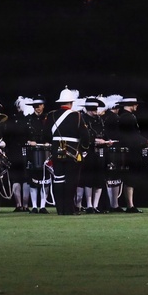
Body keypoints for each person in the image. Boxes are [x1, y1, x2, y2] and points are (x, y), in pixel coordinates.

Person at [44, 87, 91, 215]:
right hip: (72, 152)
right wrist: (84, 150)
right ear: (71, 102)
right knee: (71, 180)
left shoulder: (51, 115)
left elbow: (46, 135)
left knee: (58, 179)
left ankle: (60, 209)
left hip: (56, 151)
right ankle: (69, 209)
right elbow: (85, 136)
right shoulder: (77, 115)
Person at [10, 95, 51, 214]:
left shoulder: (48, 119)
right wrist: (28, 141)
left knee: (45, 179)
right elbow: (22, 136)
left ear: (43, 106)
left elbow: (51, 134)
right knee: (32, 179)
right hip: (32, 153)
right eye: (35, 106)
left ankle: (42, 205)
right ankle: (33, 206)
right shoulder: (27, 120)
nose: (37, 108)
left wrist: (47, 142)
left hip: (45, 152)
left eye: (39, 106)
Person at [117, 97, 148, 213]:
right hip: (130, 151)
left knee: (130, 178)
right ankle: (130, 205)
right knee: (130, 178)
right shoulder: (127, 117)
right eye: (135, 104)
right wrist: (146, 141)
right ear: (131, 105)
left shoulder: (124, 116)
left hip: (130, 149)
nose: (137, 106)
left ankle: (130, 204)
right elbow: (132, 135)